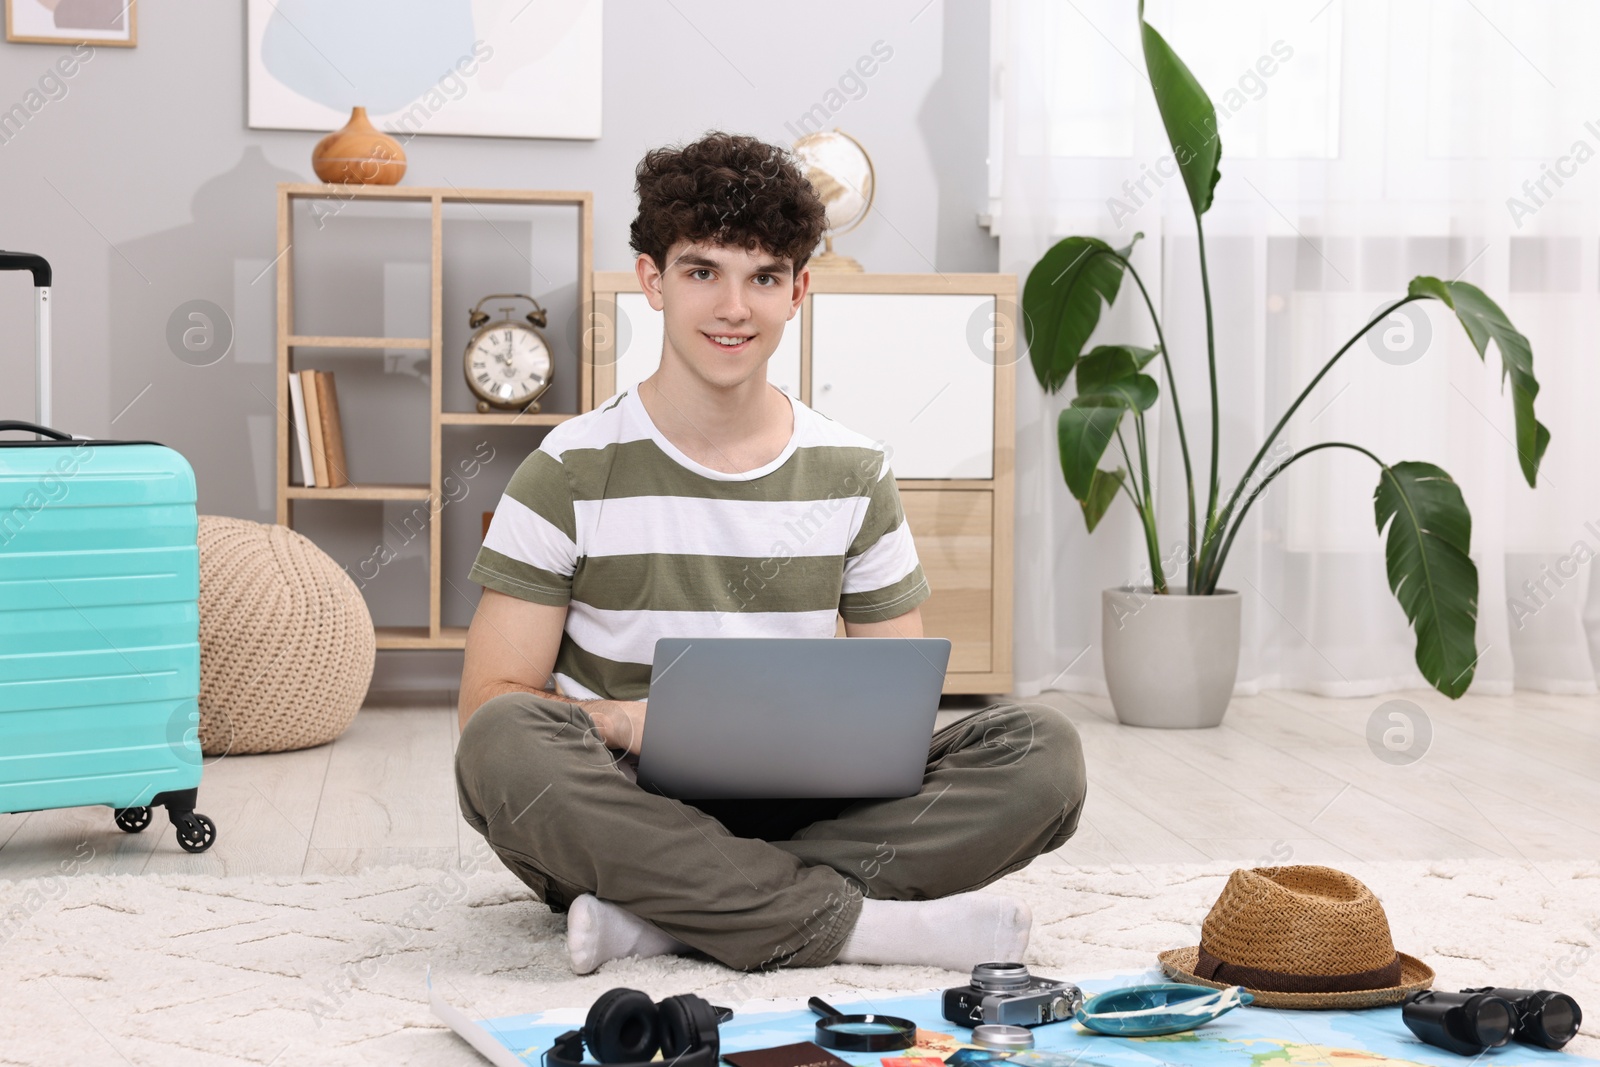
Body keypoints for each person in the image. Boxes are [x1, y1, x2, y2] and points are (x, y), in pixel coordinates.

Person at [454, 130, 1087, 975]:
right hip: (624, 805)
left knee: (1043, 755)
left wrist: (798, 743)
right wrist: (630, 723)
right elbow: (486, 704)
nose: (733, 309)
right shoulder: (566, 469)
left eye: (763, 277)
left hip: (803, 806)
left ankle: (668, 919)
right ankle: (857, 925)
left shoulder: (854, 471)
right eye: (702, 272)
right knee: (503, 744)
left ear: (799, 291)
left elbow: (896, 707)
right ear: (652, 280)